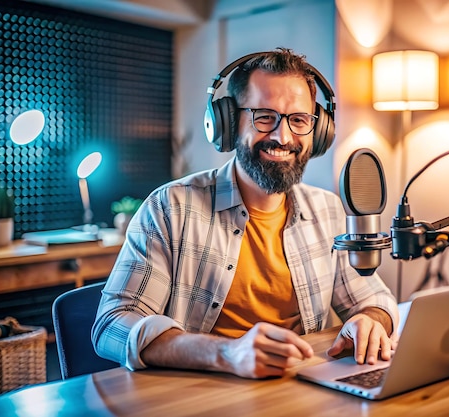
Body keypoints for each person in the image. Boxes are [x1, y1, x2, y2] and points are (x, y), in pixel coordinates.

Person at [92, 48, 398, 379]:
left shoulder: (327, 210)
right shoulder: (171, 208)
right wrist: (226, 353)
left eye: (298, 120)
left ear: (319, 131)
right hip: (201, 396)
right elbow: (112, 324)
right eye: (264, 116)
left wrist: (370, 320)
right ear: (227, 123)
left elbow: (376, 299)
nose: (283, 137)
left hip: (301, 390)